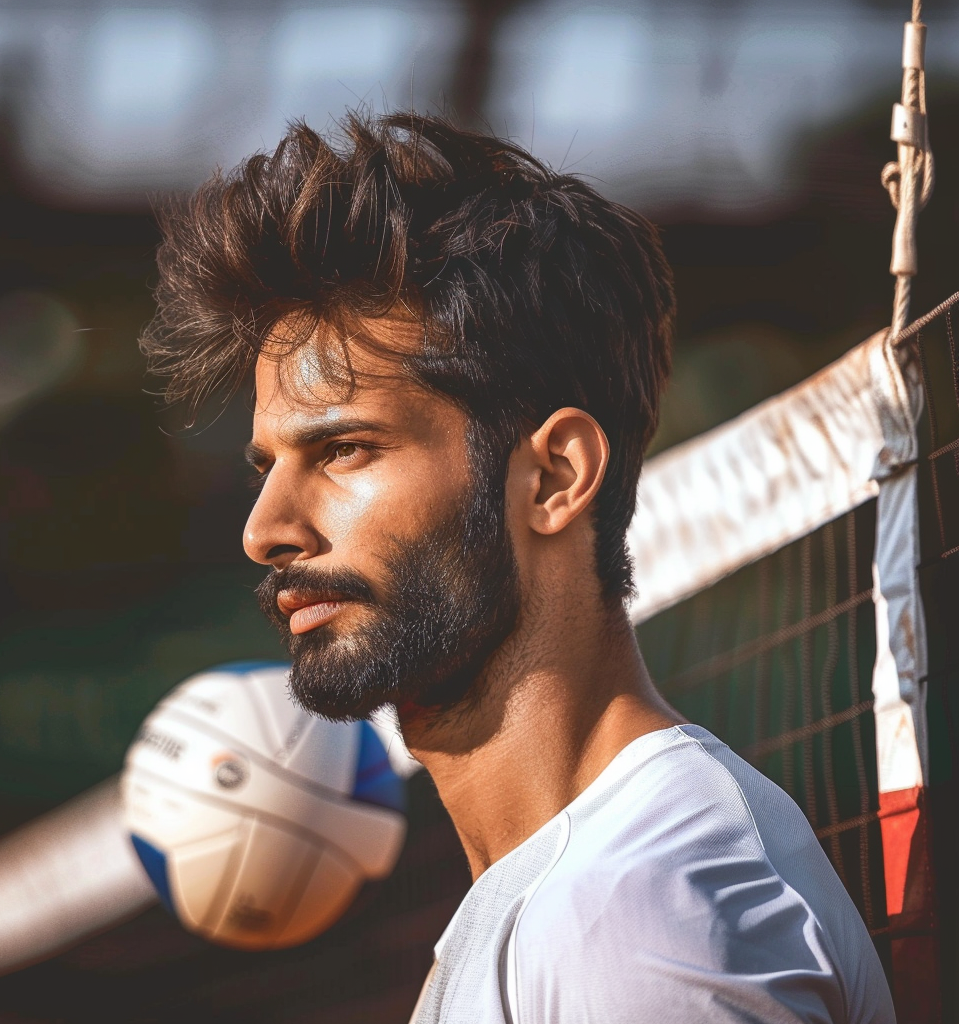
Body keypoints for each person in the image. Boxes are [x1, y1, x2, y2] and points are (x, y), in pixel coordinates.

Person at [140, 111, 895, 1023]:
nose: (266, 531)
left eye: (343, 451)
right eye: (268, 466)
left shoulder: (640, 913)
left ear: (554, 477)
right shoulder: (569, 891)